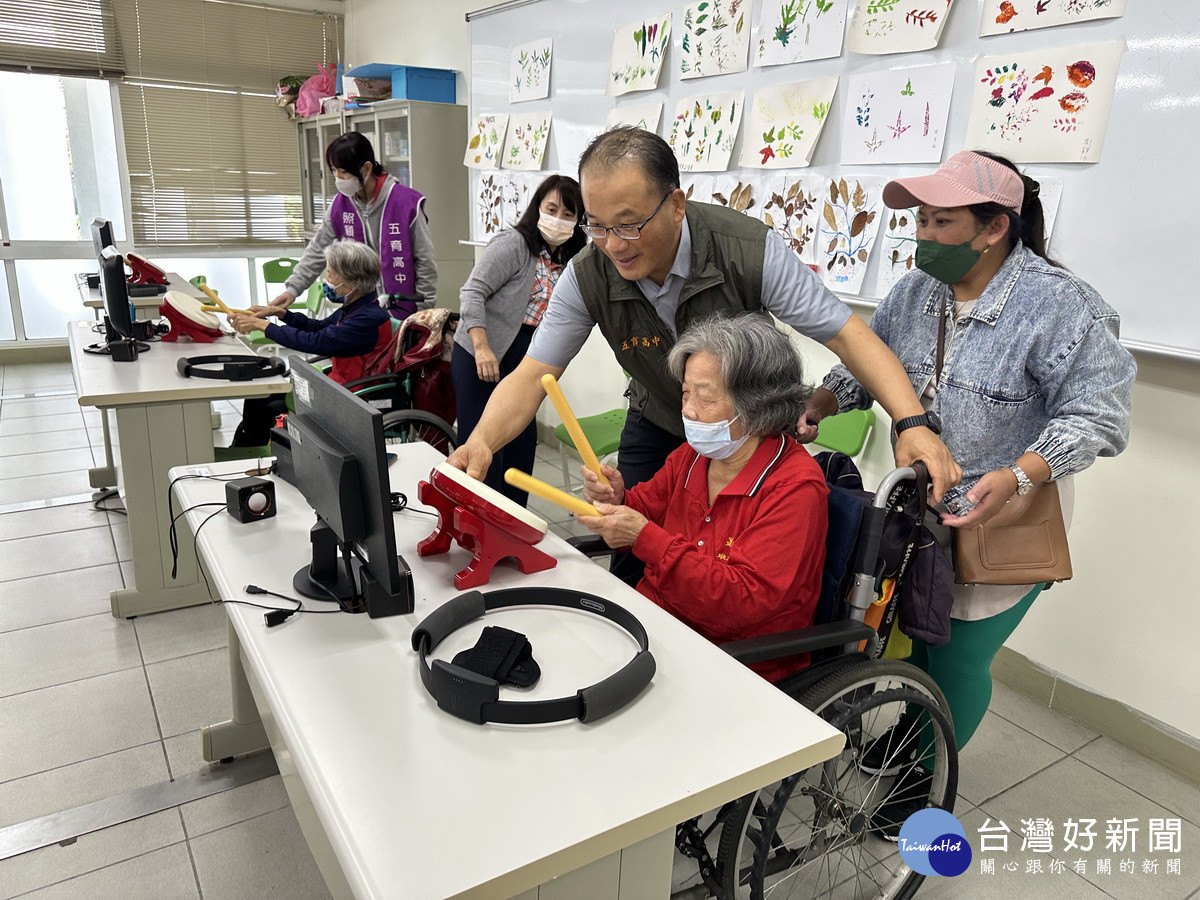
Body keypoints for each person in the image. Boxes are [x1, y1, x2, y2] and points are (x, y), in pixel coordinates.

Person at [446, 126, 958, 582]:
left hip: (744, 435)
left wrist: (910, 422)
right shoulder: (588, 273)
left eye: (628, 224)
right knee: (632, 553)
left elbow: (848, 335)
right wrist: (483, 441)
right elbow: (535, 373)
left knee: (732, 569)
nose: (612, 245)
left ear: (675, 204)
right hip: (657, 423)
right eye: (597, 225)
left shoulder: (745, 249)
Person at [810, 150, 1136, 834]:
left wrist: (1017, 474)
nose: (924, 236)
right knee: (917, 635)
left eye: (941, 221)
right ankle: (910, 730)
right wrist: (817, 402)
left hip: (1005, 511)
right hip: (916, 502)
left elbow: (1098, 417)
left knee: (959, 654)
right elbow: (873, 362)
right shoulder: (913, 292)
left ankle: (929, 773)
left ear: (994, 229)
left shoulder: (1063, 307)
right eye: (921, 220)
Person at [575, 314, 828, 683]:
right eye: (685, 393)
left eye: (705, 396)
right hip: (659, 629)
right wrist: (617, 498)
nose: (688, 410)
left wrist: (644, 538)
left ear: (756, 405)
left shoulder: (795, 488)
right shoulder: (694, 456)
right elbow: (645, 507)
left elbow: (742, 601)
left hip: (736, 661)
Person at [451, 174, 586, 506]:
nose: (558, 219)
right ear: (537, 207)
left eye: (568, 214)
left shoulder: (572, 258)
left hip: (525, 355)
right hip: (480, 351)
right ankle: (473, 517)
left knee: (521, 445)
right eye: (551, 208)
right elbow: (472, 293)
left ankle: (511, 520)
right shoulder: (514, 244)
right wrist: (481, 347)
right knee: (481, 445)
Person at [228, 240, 391, 448]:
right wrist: (282, 314)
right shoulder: (357, 307)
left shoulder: (366, 319)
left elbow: (316, 342)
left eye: (331, 274)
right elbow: (318, 327)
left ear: (353, 279)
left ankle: (252, 451)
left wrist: (263, 326)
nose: (327, 279)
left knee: (269, 405)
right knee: (259, 394)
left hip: (349, 397)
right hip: (337, 386)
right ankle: (247, 449)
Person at [272, 132, 437, 320]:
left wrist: (425, 307)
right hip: (361, 313)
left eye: (343, 172)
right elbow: (317, 249)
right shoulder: (340, 206)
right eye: (333, 170)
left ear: (366, 168)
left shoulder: (406, 202)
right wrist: (293, 289)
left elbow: (424, 260)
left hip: (404, 311)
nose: (337, 178)